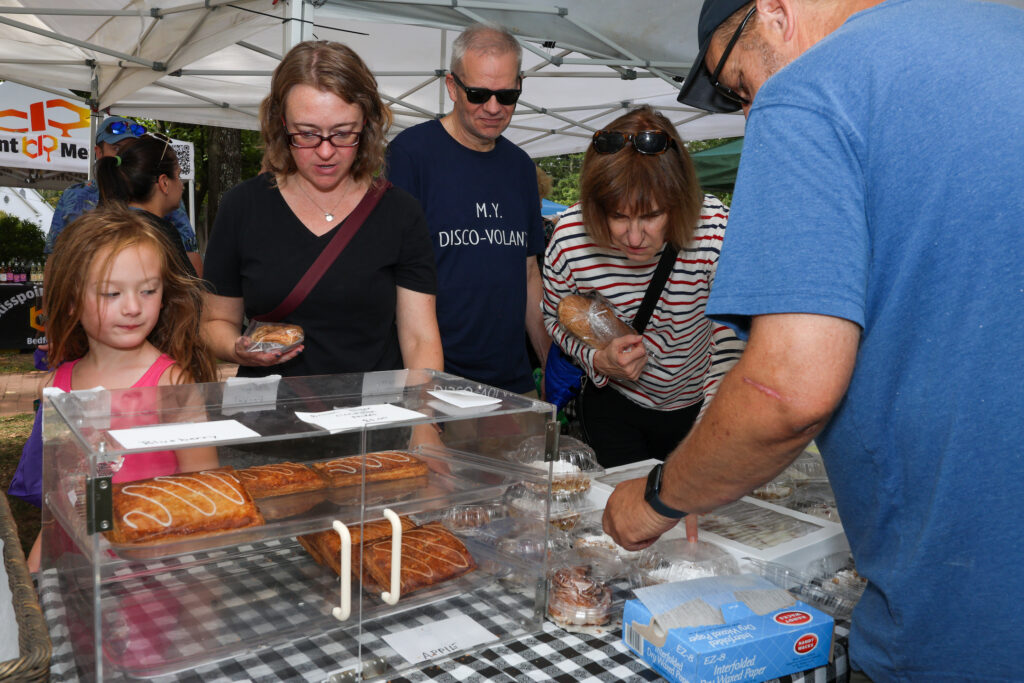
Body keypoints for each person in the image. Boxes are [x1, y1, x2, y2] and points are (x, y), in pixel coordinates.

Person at [603, 0, 1024, 680]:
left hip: (968, 613)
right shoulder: (1004, 30)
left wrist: (655, 498)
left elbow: (785, 389)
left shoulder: (811, 90)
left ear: (773, 11)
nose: (748, 112)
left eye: (738, 84)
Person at [202, 41, 442, 379]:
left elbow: (420, 340)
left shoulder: (400, 213)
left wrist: (424, 422)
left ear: (367, 125)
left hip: (370, 421)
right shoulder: (242, 206)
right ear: (281, 124)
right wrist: (237, 349)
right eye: (307, 134)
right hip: (271, 420)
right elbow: (214, 323)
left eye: (343, 134)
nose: (326, 151)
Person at [13, 207, 219, 571]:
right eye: (111, 293)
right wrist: (34, 575)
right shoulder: (59, 385)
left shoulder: (173, 385)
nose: (133, 307)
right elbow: (59, 500)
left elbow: (205, 490)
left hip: (158, 573)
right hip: (81, 575)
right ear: (73, 299)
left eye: (148, 290)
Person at [542, 106, 742, 468]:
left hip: (700, 406)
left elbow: (733, 345)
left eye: (651, 216)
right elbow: (554, 317)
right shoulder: (571, 236)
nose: (634, 238)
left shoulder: (715, 230)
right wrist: (597, 360)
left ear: (679, 202)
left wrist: (707, 445)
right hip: (614, 410)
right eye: (617, 216)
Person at [386, 23, 550, 395]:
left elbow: (528, 274)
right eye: (478, 93)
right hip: (434, 382)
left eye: (507, 95)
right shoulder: (410, 156)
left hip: (512, 386)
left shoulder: (521, 166)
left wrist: (548, 363)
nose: (493, 108)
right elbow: (389, 277)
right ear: (451, 87)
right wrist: (421, 392)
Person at [45, 116, 200, 276]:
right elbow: (54, 258)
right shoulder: (75, 196)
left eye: (131, 149)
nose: (125, 155)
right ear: (98, 152)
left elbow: (190, 256)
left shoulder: (160, 193)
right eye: (117, 148)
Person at [95, 134, 196, 277]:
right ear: (164, 183)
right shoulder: (160, 234)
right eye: (178, 176)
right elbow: (189, 296)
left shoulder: (103, 228)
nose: (182, 186)